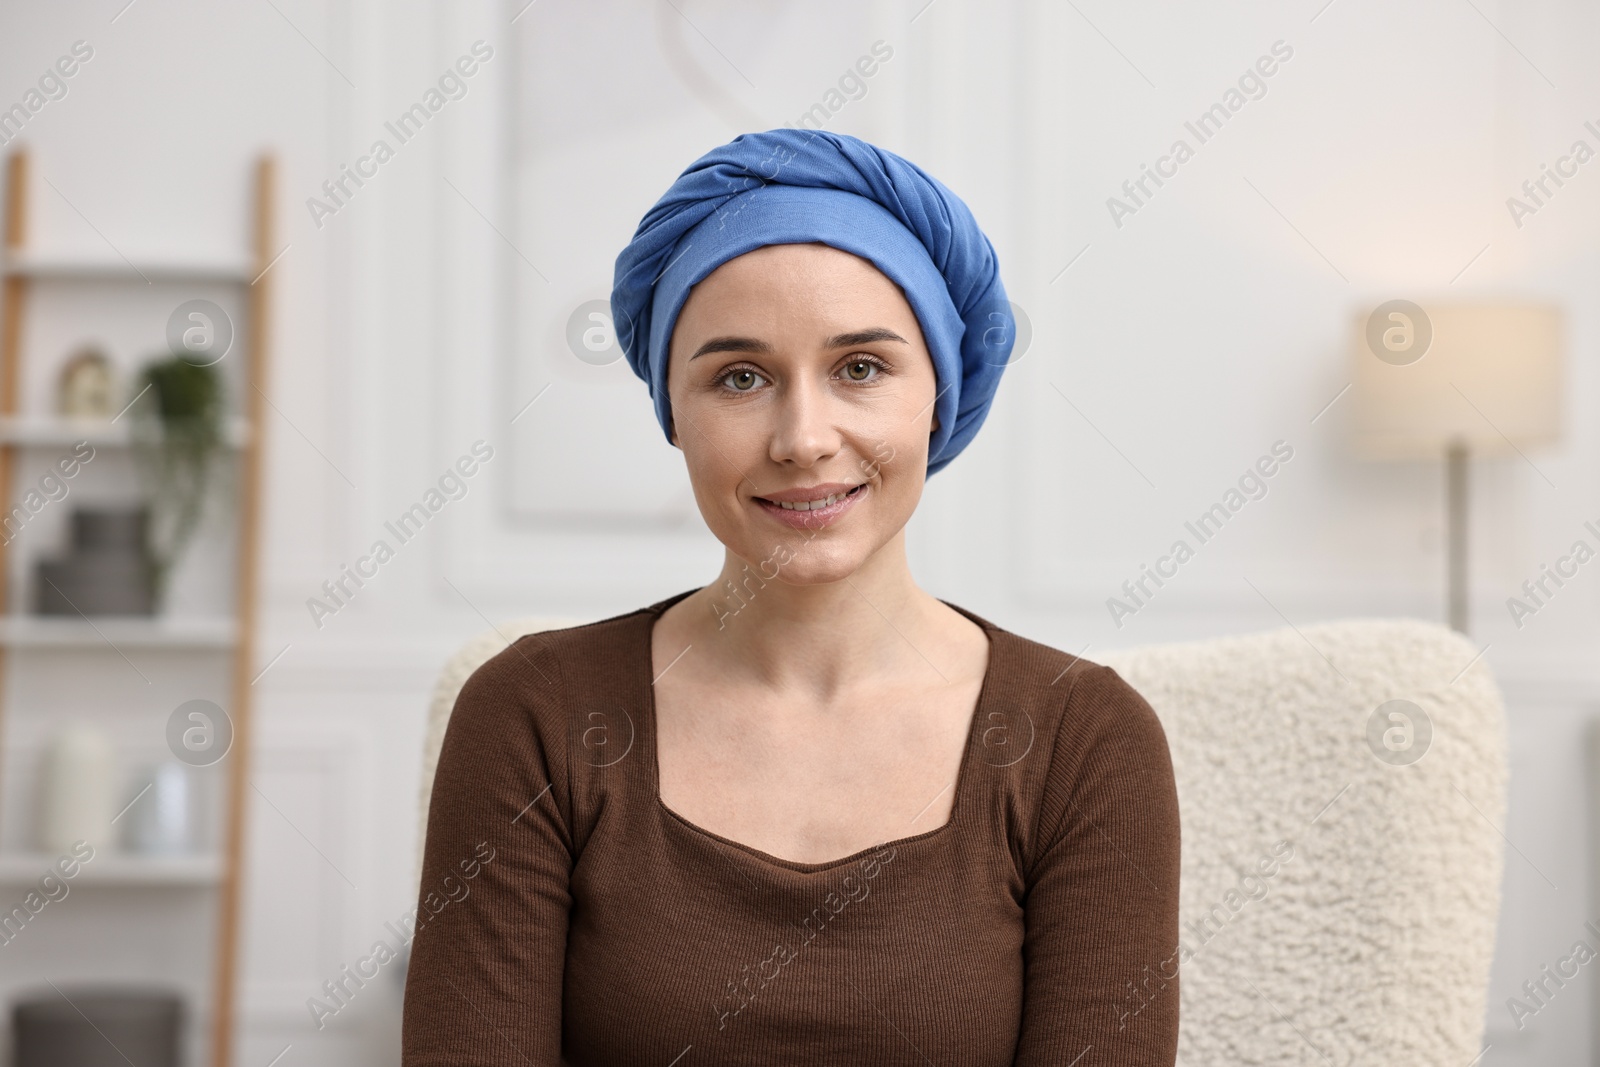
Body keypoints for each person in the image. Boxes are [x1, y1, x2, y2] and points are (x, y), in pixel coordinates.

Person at [402, 129, 1180, 1066]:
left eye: (861, 367)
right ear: (672, 414)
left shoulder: (1082, 738)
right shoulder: (533, 713)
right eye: (740, 377)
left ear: (939, 392)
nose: (803, 439)